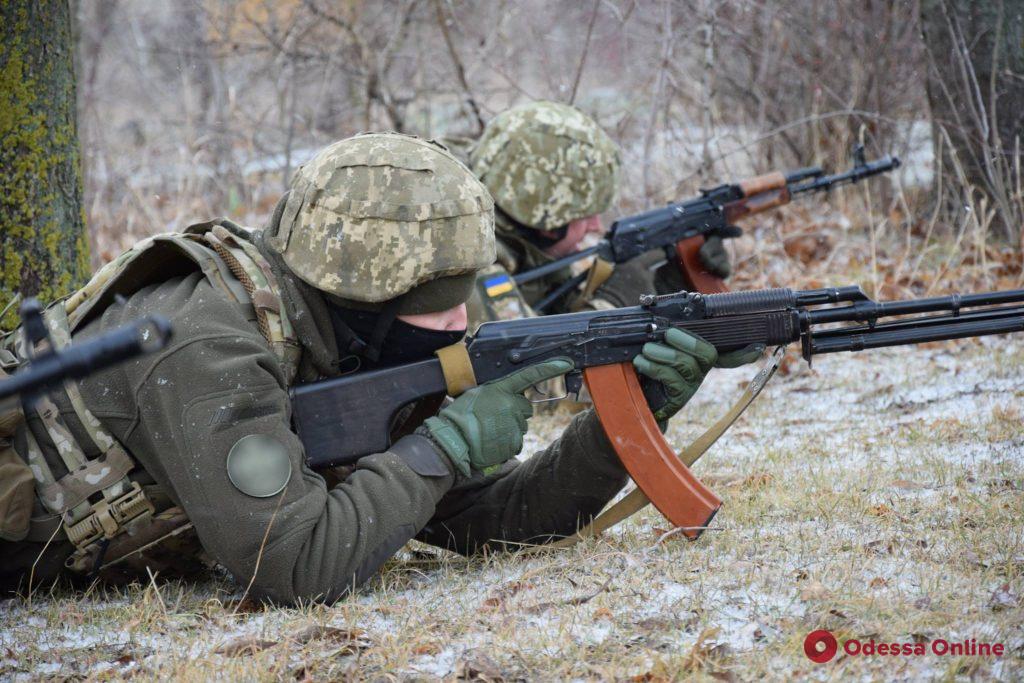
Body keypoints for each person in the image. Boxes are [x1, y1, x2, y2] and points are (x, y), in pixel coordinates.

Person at [0, 133, 757, 604]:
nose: (461, 324)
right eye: (435, 306)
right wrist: (439, 447)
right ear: (361, 292)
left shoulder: (348, 338)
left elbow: (486, 522)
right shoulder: (209, 344)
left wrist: (631, 415)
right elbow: (293, 565)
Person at [452, 100, 732, 327]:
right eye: (584, 215)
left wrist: (668, 284)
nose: (596, 226)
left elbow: (552, 314)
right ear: (545, 218)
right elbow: (538, 384)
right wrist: (613, 303)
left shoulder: (515, 235)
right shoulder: (464, 261)